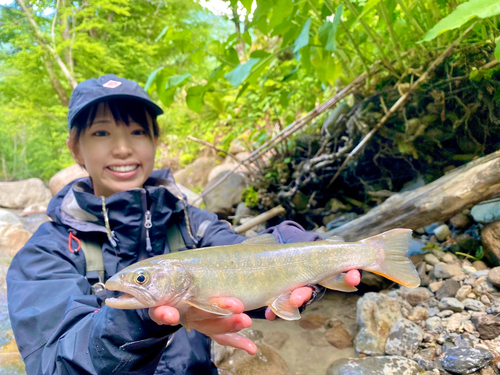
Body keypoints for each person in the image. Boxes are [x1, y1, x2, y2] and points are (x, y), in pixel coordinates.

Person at [7, 74, 360, 375]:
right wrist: (141, 320)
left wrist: (291, 249)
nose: (122, 148)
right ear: (74, 148)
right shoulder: (44, 253)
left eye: (136, 132)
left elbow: (243, 266)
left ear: (155, 142)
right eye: (101, 133)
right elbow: (54, 363)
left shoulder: (192, 224)